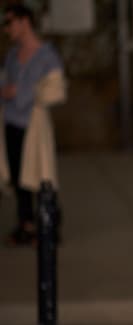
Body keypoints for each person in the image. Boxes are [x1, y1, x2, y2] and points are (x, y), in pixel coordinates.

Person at [0, 4, 66, 246]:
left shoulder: (46, 56)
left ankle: (50, 224)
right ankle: (25, 223)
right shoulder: (12, 55)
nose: (7, 29)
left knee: (42, 175)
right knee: (19, 177)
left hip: (33, 125)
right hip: (12, 121)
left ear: (24, 21)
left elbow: (56, 90)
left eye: (10, 22)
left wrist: (23, 92)